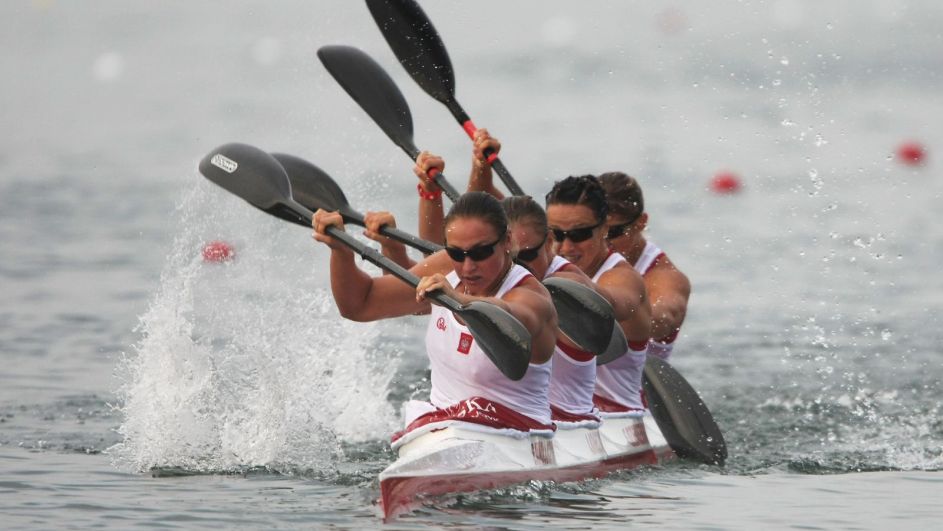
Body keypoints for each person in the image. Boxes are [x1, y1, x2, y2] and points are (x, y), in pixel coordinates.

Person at [312, 192, 558, 435]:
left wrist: (458, 299)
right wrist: (341, 252)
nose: (468, 266)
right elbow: (360, 305)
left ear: (506, 241)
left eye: (481, 253)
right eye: (457, 254)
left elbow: (511, 315)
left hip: (521, 433)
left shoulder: (530, 294)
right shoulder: (444, 268)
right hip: (443, 426)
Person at [544, 175, 652, 413]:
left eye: (580, 234)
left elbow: (616, 303)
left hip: (615, 414)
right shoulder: (541, 265)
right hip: (548, 411)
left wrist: (565, 279)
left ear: (604, 228)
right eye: (557, 235)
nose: (566, 247)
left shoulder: (624, 278)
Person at [599, 172, 690, 360]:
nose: (603, 241)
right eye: (594, 231)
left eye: (613, 231)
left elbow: (662, 319)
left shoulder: (666, 277)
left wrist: (597, 307)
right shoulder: (572, 251)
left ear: (640, 222)